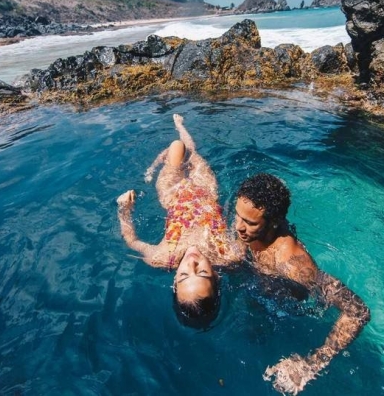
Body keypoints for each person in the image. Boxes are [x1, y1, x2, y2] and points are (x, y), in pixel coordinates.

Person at [234, 173, 371, 395]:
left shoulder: (294, 265)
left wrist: (313, 363)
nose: (238, 226)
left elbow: (357, 311)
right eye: (238, 215)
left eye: (249, 222)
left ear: (274, 222)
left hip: (289, 309)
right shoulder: (248, 220)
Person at [116, 114, 244, 328]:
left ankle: (168, 145)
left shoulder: (162, 257)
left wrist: (124, 210)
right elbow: (242, 224)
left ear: (175, 281)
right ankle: (179, 127)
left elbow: (131, 240)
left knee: (178, 147)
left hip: (173, 192)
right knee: (191, 152)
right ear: (217, 278)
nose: (191, 262)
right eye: (202, 271)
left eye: (184, 274)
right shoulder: (230, 255)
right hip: (206, 192)